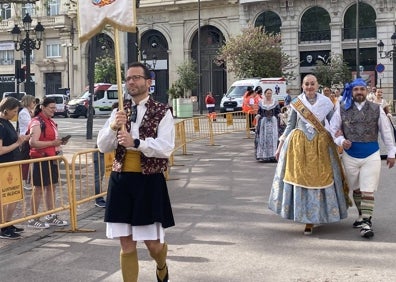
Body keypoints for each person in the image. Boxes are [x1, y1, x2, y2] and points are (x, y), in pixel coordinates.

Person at [97, 62, 175, 282]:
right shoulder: (119, 111)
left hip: (149, 181)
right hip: (121, 180)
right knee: (126, 242)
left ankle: (161, 263)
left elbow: (165, 148)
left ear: (148, 82)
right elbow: (103, 147)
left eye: (136, 77)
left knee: (153, 245)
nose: (131, 81)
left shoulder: (162, 111)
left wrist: (137, 142)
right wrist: (113, 127)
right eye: (128, 78)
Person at [268, 74, 350, 235]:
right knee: (301, 179)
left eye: (312, 84)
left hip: (321, 145)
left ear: (317, 85)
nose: (310, 87)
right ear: (302, 86)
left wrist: (340, 138)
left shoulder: (326, 102)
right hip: (299, 146)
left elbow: (334, 124)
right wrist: (279, 147)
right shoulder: (297, 103)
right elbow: (290, 125)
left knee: (322, 177)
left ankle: (320, 213)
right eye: (307, 84)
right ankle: (306, 218)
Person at [329, 78, 395, 239]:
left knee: (368, 190)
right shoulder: (342, 108)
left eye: (362, 89)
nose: (359, 92)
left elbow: (386, 131)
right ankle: (361, 216)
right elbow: (332, 128)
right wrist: (340, 141)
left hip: (371, 154)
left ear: (366, 91)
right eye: (356, 89)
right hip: (350, 155)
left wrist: (392, 153)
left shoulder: (376, 108)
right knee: (356, 189)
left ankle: (366, 222)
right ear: (352, 91)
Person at [27, 97, 69, 229]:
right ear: (43, 107)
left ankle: (51, 215)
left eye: (54, 108)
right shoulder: (37, 122)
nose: (54, 110)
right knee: (38, 188)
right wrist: (52, 143)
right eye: (51, 108)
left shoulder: (49, 121)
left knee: (51, 187)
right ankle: (33, 218)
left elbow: (51, 139)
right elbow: (33, 142)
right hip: (40, 159)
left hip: (51, 158)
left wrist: (59, 143)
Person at [0, 97, 30, 239]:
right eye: (14, 111)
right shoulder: (1, 125)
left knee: (14, 195)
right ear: (6, 110)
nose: (15, 114)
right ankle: (2, 226)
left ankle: (8, 222)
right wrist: (18, 143)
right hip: (5, 165)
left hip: (13, 163)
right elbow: (0, 150)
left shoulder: (7, 123)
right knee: (4, 197)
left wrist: (22, 139)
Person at [254, 88, 281, 162]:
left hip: (273, 122)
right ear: (265, 94)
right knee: (264, 139)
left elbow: (278, 111)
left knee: (273, 138)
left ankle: (274, 155)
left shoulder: (275, 102)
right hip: (264, 123)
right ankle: (264, 156)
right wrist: (258, 116)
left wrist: (281, 115)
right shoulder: (261, 102)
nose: (269, 95)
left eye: (270, 93)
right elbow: (259, 112)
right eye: (268, 93)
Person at [17, 94, 36, 190]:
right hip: (25, 138)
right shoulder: (24, 113)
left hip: (28, 137)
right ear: (28, 102)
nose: (34, 104)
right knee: (25, 161)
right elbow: (30, 124)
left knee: (27, 161)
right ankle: (25, 181)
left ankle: (27, 180)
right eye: (33, 102)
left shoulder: (28, 112)